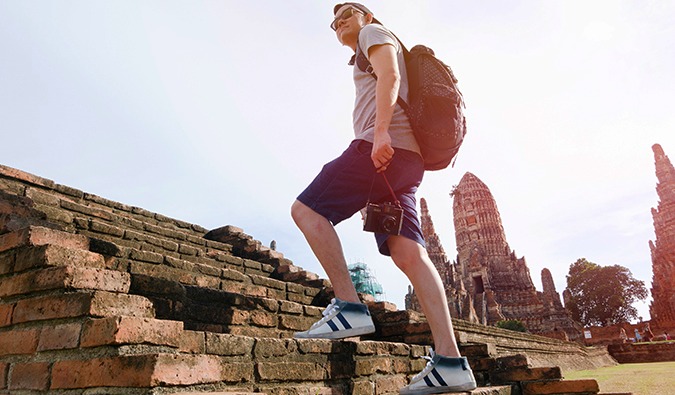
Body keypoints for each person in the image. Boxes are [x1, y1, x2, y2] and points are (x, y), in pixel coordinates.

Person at [290, 3, 477, 394]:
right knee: (410, 255)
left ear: (368, 16)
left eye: (348, 14)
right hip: (406, 164)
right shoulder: (365, 45)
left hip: (381, 151)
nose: (339, 22)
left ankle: (349, 307)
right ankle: (450, 362)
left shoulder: (373, 35)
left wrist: (379, 134)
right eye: (334, 21)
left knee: (306, 210)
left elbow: (390, 74)